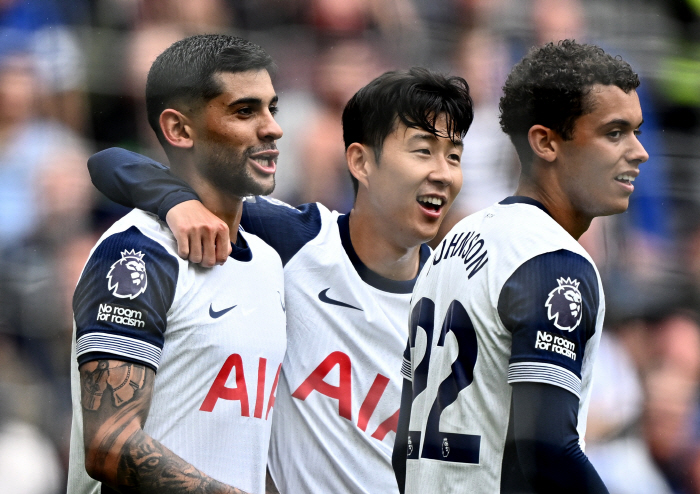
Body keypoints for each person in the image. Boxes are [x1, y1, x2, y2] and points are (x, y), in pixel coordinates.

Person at [86, 67, 474, 493]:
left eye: (454, 156)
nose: (443, 173)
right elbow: (110, 163)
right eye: (423, 151)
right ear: (361, 161)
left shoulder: (460, 303)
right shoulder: (291, 242)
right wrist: (176, 201)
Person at [392, 40, 648, 493]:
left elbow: (402, 449)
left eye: (637, 132)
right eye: (614, 133)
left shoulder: (451, 243)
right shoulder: (554, 263)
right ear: (545, 142)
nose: (638, 152)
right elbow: (547, 450)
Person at [67, 34, 287, 494]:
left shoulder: (268, 258)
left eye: (273, 108)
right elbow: (108, 445)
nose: (272, 128)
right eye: (245, 111)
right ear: (179, 130)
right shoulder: (135, 252)